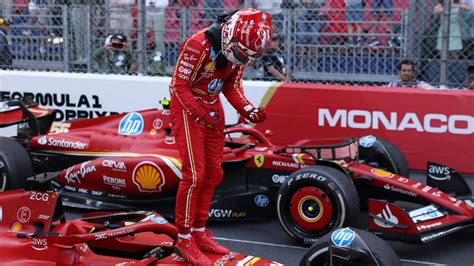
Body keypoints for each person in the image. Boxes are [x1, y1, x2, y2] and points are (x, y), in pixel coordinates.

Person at [169, 8, 271, 265]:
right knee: (195, 175)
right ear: (230, 38)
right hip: (188, 108)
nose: (240, 60)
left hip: (211, 108)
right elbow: (178, 86)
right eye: (239, 54)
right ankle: (183, 239)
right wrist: (200, 112)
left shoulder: (241, 48)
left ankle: (199, 232)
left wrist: (248, 110)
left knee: (214, 173)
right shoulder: (198, 44)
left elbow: (231, 86)